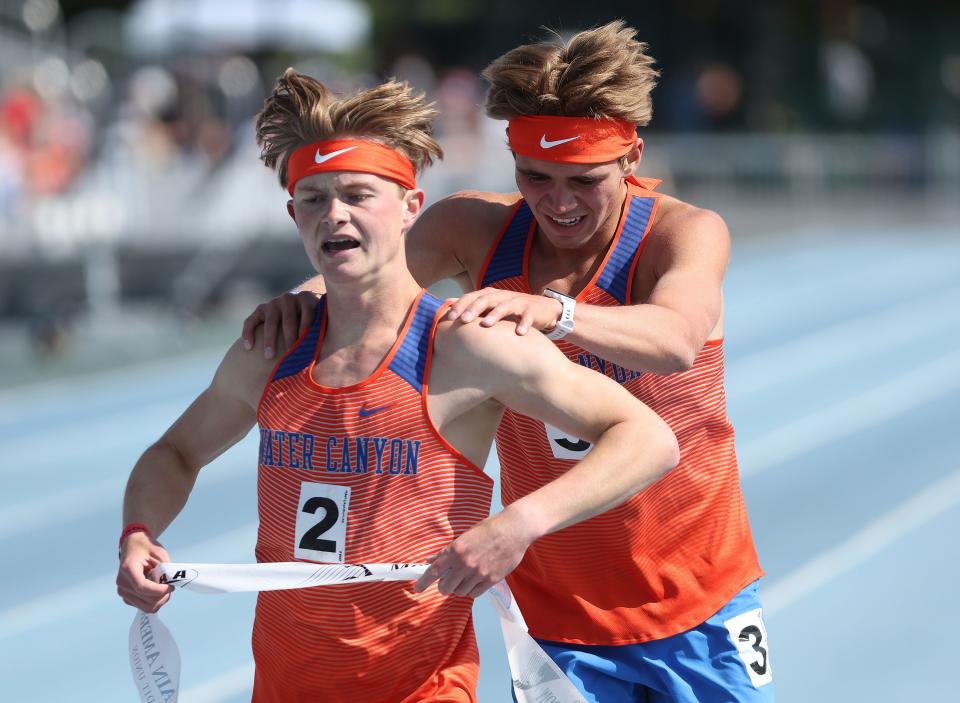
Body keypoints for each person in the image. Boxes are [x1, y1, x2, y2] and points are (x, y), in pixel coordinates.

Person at [242, 21, 774, 703]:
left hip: (700, 598)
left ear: (631, 157)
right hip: (557, 617)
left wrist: (558, 312)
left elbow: (675, 339)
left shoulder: (682, 233)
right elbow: (365, 267)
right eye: (535, 176)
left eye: (583, 181)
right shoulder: (477, 229)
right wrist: (298, 300)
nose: (557, 202)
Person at [116, 69, 679, 703]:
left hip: (423, 687)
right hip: (284, 687)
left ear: (412, 206)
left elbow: (648, 438)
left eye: (359, 195)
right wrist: (138, 532)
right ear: (293, 214)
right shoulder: (271, 350)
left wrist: (518, 524)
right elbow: (176, 452)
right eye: (314, 198)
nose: (335, 215)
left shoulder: (464, 345)